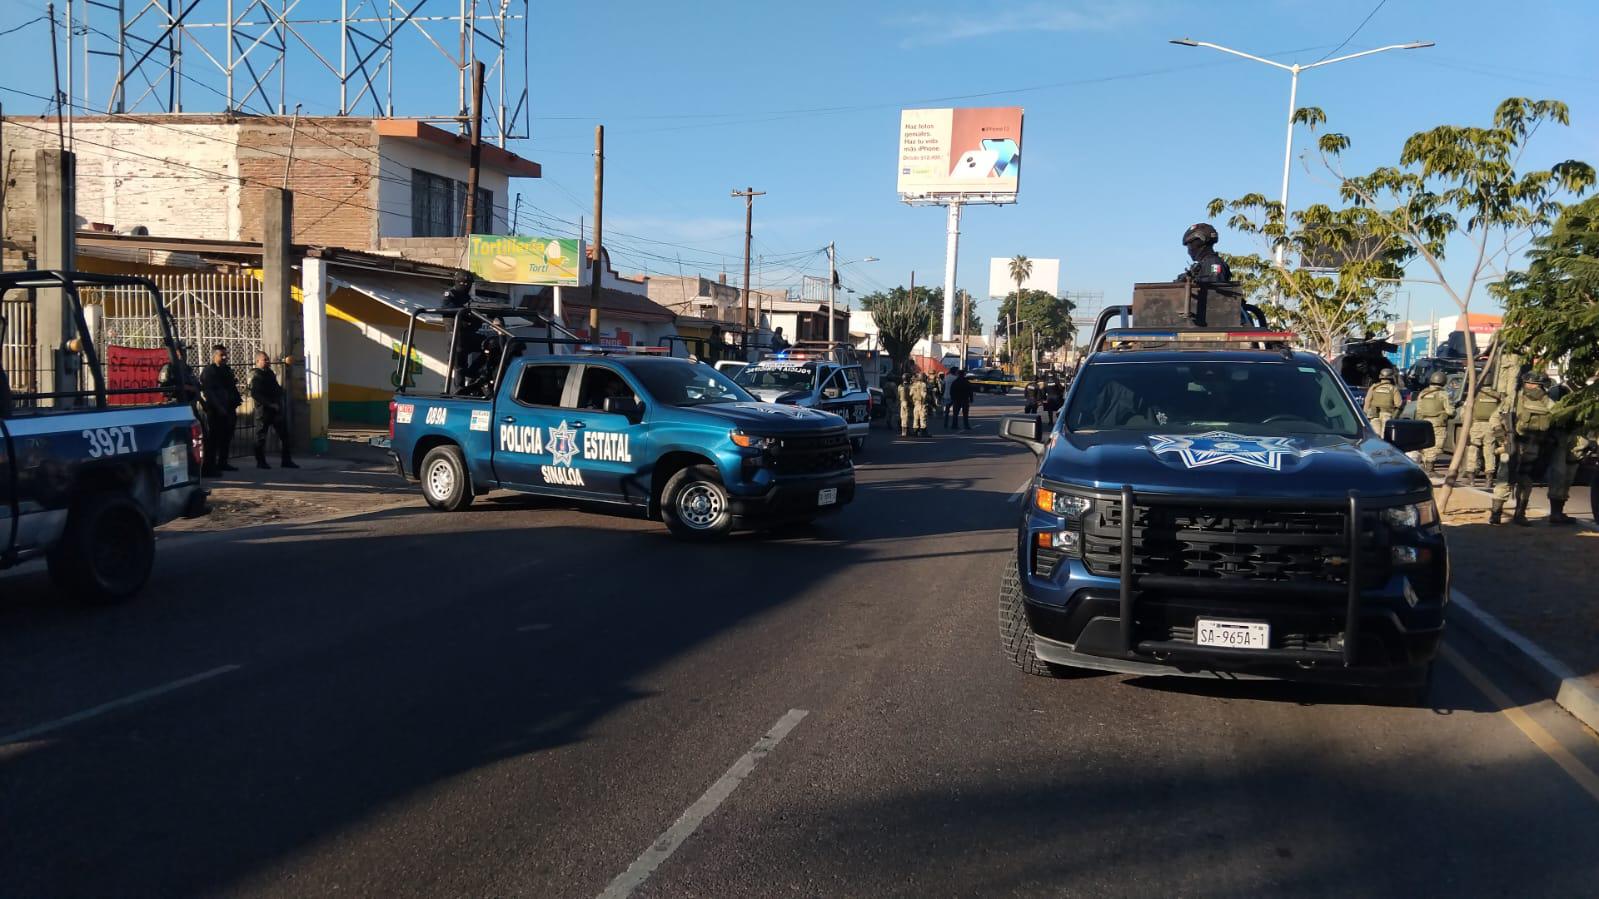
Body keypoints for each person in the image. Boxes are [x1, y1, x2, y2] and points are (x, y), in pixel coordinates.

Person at [1490, 372, 1556, 526]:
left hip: (1533, 446)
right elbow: (1494, 418)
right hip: (1513, 443)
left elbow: (1556, 418)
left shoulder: (1547, 401)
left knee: (1525, 481)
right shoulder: (1514, 399)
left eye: (1535, 385)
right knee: (1504, 479)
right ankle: (1496, 514)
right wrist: (1501, 436)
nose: (1532, 387)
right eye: (1530, 384)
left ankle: (1520, 514)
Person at [247, 351, 299, 470]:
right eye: (265, 360)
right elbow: (255, 394)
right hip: (263, 411)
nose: (267, 361)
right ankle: (261, 462)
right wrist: (269, 404)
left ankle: (286, 460)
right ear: (257, 361)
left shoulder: (269, 373)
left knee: (285, 436)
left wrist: (280, 395)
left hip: (275, 409)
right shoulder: (255, 375)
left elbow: (276, 387)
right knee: (261, 437)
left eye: (268, 359)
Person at [198, 344, 241, 475]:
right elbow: (209, 392)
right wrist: (218, 407)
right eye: (221, 355)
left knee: (226, 437)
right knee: (214, 439)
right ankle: (209, 466)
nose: (224, 357)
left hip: (228, 408)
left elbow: (231, 387)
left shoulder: (226, 370)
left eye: (225, 354)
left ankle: (223, 462)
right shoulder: (209, 371)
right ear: (214, 356)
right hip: (216, 409)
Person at [1461, 383, 1505, 486]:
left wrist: (1466, 425)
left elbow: (1464, 412)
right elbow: (1503, 412)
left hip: (1475, 426)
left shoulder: (1474, 395)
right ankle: (1488, 480)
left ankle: (1471, 479)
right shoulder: (1498, 395)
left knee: (1472, 450)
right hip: (1491, 425)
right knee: (1489, 452)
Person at [1413, 370, 1452, 471]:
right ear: (1443, 381)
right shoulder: (1443, 394)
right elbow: (1450, 411)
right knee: (1436, 445)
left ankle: (1426, 464)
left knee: (1426, 443)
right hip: (1437, 423)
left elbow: (1418, 409)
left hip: (1424, 422)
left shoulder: (1423, 392)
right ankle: (1430, 468)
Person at [1364, 368, 1401, 434]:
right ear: (1392, 377)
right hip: (1387, 415)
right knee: (1385, 436)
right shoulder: (1393, 388)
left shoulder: (1374, 387)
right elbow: (1399, 404)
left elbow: (1367, 401)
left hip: (1374, 415)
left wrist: (1365, 414)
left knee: (1376, 435)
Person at [908, 370, 930, 437]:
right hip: (922, 403)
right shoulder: (923, 384)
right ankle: (923, 432)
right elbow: (924, 394)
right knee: (923, 417)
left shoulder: (913, 384)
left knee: (916, 417)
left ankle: (915, 431)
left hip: (916, 403)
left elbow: (910, 394)